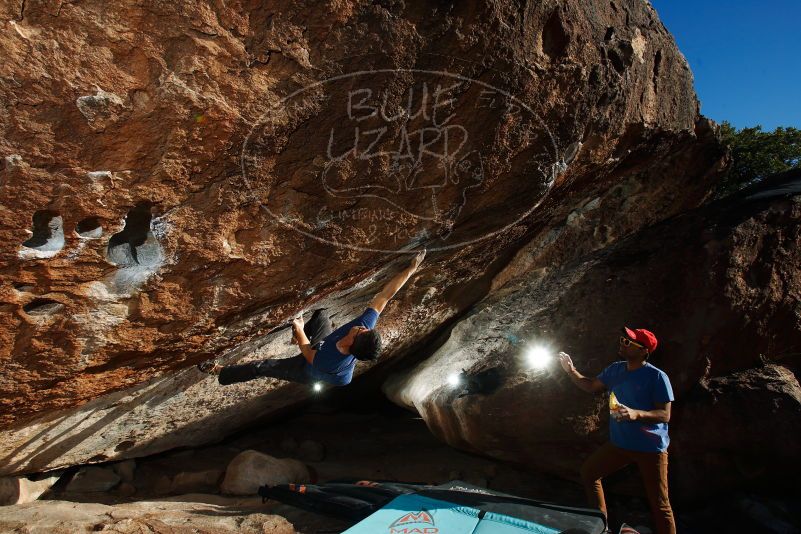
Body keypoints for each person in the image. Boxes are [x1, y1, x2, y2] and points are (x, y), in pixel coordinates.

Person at [198, 249, 426, 387]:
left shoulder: (330, 361)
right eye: (365, 329)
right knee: (320, 316)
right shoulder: (362, 329)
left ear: (351, 342)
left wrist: (298, 329)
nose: (361, 327)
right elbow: (385, 297)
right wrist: (411, 269)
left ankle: (218, 371)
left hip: (309, 370)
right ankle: (301, 333)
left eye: (361, 332)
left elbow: (306, 352)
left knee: (262, 367)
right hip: (322, 348)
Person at [558, 327, 676, 534]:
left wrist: (636, 414)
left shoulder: (657, 377)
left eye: (628, 342)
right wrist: (570, 370)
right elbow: (591, 386)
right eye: (623, 339)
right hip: (620, 445)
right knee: (589, 473)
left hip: (650, 449)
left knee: (660, 504)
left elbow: (664, 415)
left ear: (643, 351)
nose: (622, 343)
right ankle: (600, 527)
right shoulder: (615, 369)